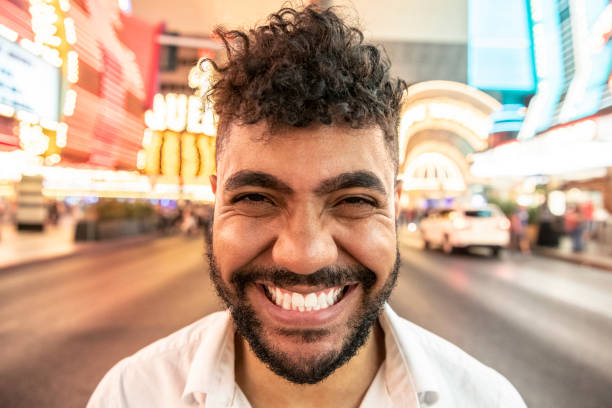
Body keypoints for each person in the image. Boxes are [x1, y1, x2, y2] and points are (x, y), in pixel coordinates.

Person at [87, 6, 526, 407]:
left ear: (393, 204)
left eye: (353, 201)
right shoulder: (130, 395)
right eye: (256, 199)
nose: (304, 255)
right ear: (216, 198)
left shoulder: (487, 400)